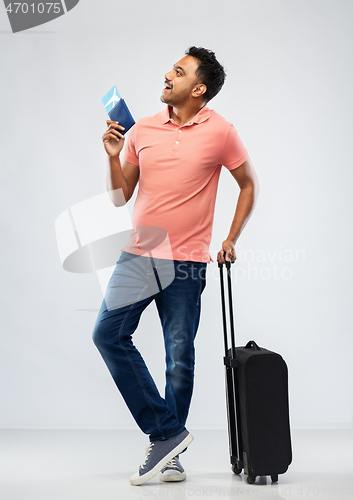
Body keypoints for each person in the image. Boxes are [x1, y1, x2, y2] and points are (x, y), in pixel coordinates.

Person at [92, 46, 259, 486]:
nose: (168, 74)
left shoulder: (221, 132)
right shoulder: (142, 128)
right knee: (107, 334)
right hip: (139, 255)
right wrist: (114, 154)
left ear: (198, 88)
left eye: (179, 71)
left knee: (179, 359)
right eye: (172, 68)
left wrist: (230, 238)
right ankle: (168, 433)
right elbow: (118, 197)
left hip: (187, 263)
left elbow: (247, 184)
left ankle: (171, 455)